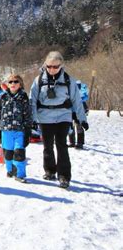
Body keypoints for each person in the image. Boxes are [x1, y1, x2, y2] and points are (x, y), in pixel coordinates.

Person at [30, 51, 88, 189]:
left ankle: (64, 176)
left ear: (61, 65)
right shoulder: (38, 81)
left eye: (55, 67)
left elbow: (77, 101)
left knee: (62, 146)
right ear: (45, 65)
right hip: (45, 117)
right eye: (49, 66)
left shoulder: (69, 80)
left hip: (63, 116)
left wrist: (82, 119)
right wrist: (32, 119)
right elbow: (32, 100)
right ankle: (50, 171)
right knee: (47, 146)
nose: (51, 69)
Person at [0, 74, 32, 183]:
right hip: (6, 130)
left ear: (20, 84)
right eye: (10, 82)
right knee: (8, 153)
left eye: (15, 81)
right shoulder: (3, 97)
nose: (13, 84)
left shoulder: (24, 97)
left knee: (19, 152)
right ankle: (10, 170)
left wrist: (28, 130)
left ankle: (19, 174)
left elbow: (28, 114)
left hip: (19, 130)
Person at [68, 80, 89, 149]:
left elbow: (84, 99)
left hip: (78, 110)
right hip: (70, 110)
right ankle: (72, 142)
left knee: (79, 125)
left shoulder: (81, 91)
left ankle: (80, 143)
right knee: (71, 126)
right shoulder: (69, 89)